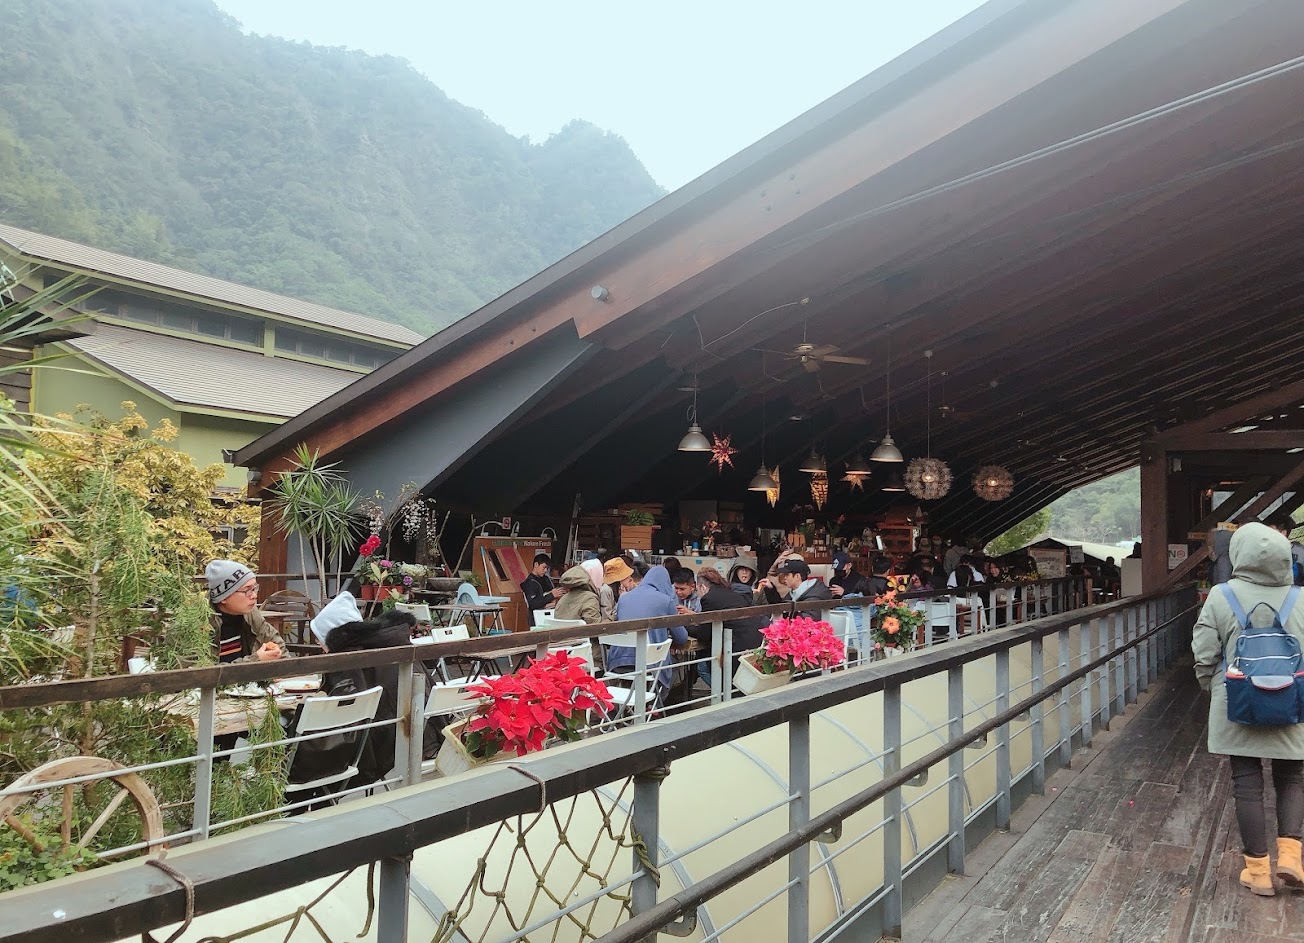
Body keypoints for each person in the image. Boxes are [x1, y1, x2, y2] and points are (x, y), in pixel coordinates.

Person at [1193, 522, 1304, 896]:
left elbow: (1204, 652)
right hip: (1291, 701)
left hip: (1237, 699)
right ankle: (1291, 858)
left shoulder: (1222, 595)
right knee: (1292, 777)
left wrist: (1212, 687)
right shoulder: (1301, 598)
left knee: (1246, 782)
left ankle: (1257, 872)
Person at [317, 608, 441, 786]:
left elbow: (346, 710)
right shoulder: (391, 643)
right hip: (422, 731)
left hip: (380, 745)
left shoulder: (350, 658)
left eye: (318, 639)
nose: (318, 644)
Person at [607, 565, 687, 688]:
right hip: (650, 663)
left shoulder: (624, 599)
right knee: (675, 666)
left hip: (618, 662)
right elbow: (681, 638)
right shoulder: (666, 601)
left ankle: (633, 697)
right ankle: (654, 698)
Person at [691, 567, 764, 688]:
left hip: (736, 648)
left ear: (703, 587)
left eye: (697, 589)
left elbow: (703, 636)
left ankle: (724, 693)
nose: (697, 593)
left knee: (702, 666)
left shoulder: (708, 598)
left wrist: (684, 627)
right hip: (753, 642)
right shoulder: (732, 594)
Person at [206, 560, 285, 664]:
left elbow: (277, 644)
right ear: (223, 597)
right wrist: (256, 660)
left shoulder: (250, 614)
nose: (254, 596)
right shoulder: (201, 624)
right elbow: (202, 671)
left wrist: (276, 653)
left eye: (254, 588)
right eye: (247, 590)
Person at [756, 558, 833, 617]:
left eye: (787, 575)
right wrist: (770, 589)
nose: (784, 578)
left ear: (797, 576)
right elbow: (782, 607)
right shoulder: (794, 593)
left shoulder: (814, 597)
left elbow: (805, 623)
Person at [521, 554, 562, 621]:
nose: (545, 570)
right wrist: (551, 595)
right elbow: (533, 604)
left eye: (547, 568)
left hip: (551, 613)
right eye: (544, 567)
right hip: (537, 617)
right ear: (536, 564)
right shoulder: (530, 583)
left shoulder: (546, 579)